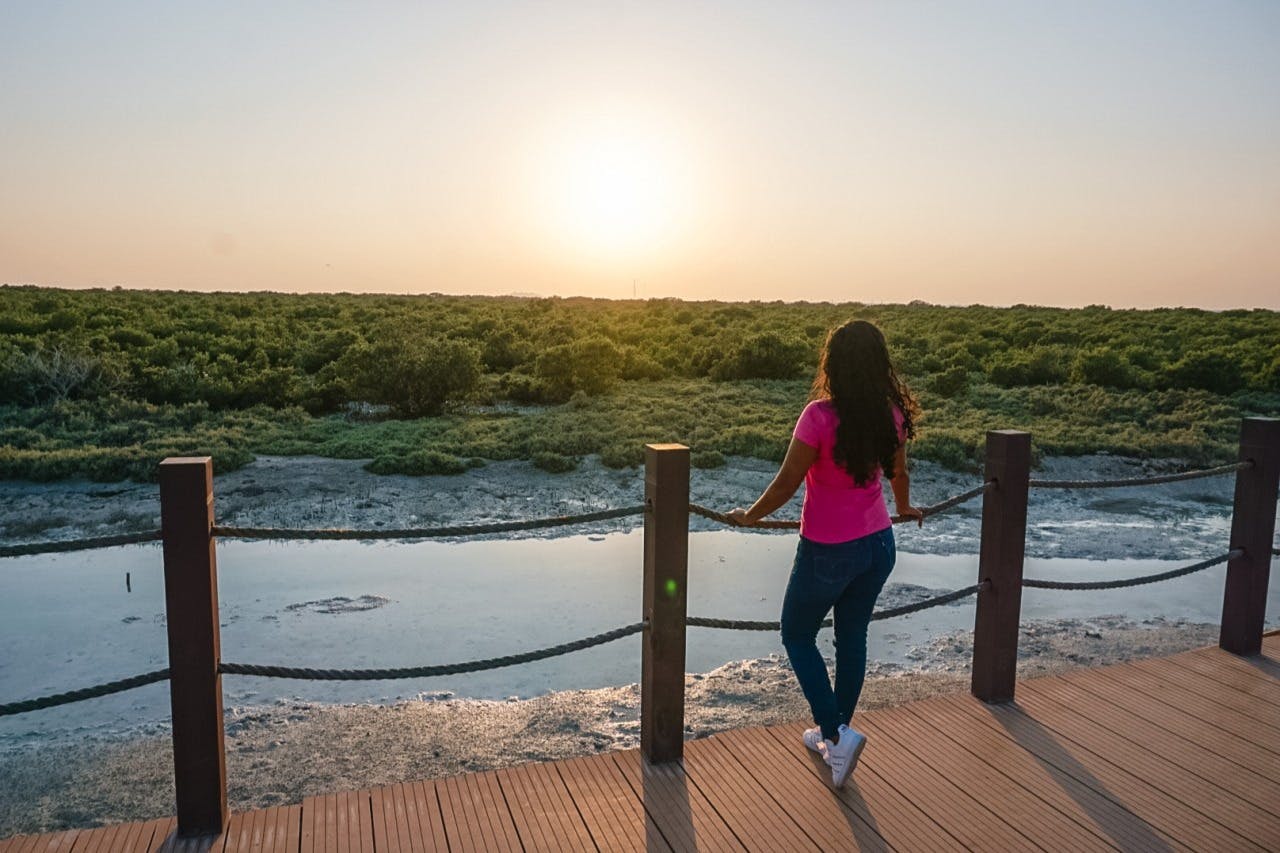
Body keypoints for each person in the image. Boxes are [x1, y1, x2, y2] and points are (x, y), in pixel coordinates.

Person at [727, 319, 921, 788]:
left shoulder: (819, 416)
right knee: (851, 640)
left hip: (828, 551)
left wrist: (750, 516)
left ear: (833, 364)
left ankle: (835, 734)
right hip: (879, 545)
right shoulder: (890, 413)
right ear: (880, 365)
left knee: (796, 635)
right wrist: (905, 508)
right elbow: (897, 474)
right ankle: (836, 741)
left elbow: (786, 484)